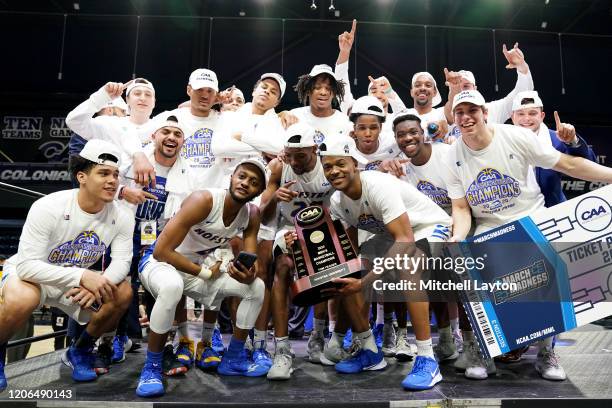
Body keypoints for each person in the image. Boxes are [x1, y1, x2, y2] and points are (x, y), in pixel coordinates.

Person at [441, 89, 612, 381]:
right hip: (488, 224)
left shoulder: (515, 136)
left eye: (472, 111)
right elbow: (460, 206)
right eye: (460, 113)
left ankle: (547, 353)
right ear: (454, 118)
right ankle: (484, 351)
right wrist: (458, 235)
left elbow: (568, 164)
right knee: (472, 280)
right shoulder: (452, 155)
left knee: (547, 283)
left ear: (485, 113)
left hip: (528, 218)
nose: (466, 118)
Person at [317, 135, 452, 390]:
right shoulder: (337, 202)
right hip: (392, 235)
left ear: (354, 164)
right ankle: (369, 350)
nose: (334, 171)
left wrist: (366, 282)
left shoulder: (378, 185)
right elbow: (349, 252)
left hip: (428, 227)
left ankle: (426, 358)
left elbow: (405, 241)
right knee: (349, 271)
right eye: (327, 166)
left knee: (407, 266)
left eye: (340, 164)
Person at [0, 140, 134, 391]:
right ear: (81, 177)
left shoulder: (123, 215)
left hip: (72, 282)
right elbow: (27, 267)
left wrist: (97, 283)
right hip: (34, 276)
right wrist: (83, 276)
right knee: (21, 298)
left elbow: (123, 262)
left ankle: (80, 350)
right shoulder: (49, 206)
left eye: (116, 175)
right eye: (103, 173)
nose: (112, 181)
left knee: (122, 291)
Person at [135, 158, 269, 398]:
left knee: (256, 288)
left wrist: (247, 273)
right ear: (231, 177)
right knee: (172, 287)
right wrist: (206, 273)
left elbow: (252, 260)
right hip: (159, 264)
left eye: (254, 182)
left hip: (196, 268)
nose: (245, 183)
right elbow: (162, 251)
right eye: (242, 176)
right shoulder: (204, 200)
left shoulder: (252, 213)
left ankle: (234, 357)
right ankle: (152, 367)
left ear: (259, 191)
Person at [118, 115, 195, 375]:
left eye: (177, 133)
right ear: (153, 136)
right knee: (118, 285)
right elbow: (101, 181)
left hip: (160, 238)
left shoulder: (189, 172)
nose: (171, 137)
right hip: (124, 232)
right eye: (166, 132)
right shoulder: (132, 159)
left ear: (183, 142)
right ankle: (113, 340)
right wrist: (122, 192)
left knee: (159, 291)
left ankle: (161, 351)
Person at [259, 123, 335, 379]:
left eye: (300, 156)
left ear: (314, 149)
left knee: (325, 270)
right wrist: (274, 198)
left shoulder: (328, 166)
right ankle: (282, 348)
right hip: (288, 228)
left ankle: (318, 339)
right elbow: (263, 212)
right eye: (289, 154)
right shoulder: (280, 167)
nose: (294, 161)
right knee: (282, 267)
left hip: (323, 228)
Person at [510, 90, 597, 207]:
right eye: (520, 114)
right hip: (515, 215)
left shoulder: (557, 139)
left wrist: (572, 140)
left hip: (554, 212)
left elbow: (591, 164)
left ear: (542, 116)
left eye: (532, 113)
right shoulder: (501, 140)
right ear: (512, 117)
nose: (526, 119)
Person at [66, 78, 157, 187]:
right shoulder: (109, 124)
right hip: (111, 199)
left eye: (148, 94)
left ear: (154, 102)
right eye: (137, 93)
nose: (143, 98)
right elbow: (74, 121)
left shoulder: (164, 126)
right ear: (127, 99)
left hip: (153, 198)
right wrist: (102, 96)